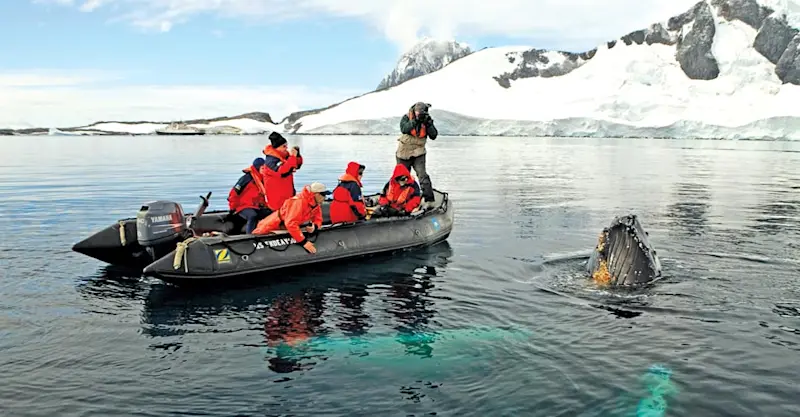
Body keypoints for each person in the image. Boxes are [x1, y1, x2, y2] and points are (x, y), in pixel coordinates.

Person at [252, 182, 330, 254]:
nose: (325, 197)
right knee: (258, 236)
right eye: (323, 195)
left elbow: (318, 219)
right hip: (272, 225)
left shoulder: (316, 204)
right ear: (316, 194)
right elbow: (291, 223)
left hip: (284, 227)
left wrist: (314, 227)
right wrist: (303, 242)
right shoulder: (299, 202)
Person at [396, 101, 438, 209]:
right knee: (401, 177)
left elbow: (433, 135)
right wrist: (416, 121)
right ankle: (398, 200)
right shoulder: (406, 117)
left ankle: (429, 200)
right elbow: (404, 129)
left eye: (421, 112)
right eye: (418, 112)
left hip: (419, 152)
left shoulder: (427, 120)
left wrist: (428, 124)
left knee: (422, 175)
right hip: (404, 153)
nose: (420, 114)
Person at [261, 131, 303, 212]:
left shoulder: (284, 156)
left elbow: (296, 165)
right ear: (277, 147)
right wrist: (293, 157)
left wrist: (297, 155)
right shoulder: (271, 161)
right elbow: (282, 171)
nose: (286, 148)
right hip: (277, 199)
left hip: (287, 195)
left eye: (286, 146)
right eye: (284, 146)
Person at [227, 157, 270, 234]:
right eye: (263, 168)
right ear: (257, 168)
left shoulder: (262, 179)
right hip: (243, 206)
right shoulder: (246, 179)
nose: (265, 170)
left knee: (273, 213)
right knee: (253, 216)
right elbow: (234, 193)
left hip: (257, 206)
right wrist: (232, 208)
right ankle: (249, 236)